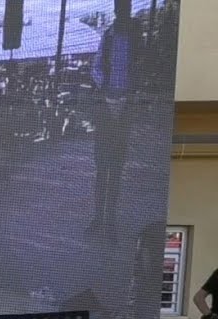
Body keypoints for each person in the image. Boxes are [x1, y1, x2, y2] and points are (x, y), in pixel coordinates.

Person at [90, 0, 143, 233]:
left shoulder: (136, 36)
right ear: (115, 10)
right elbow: (96, 67)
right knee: (102, 167)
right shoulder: (108, 36)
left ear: (129, 9)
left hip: (125, 107)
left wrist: (131, 93)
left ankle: (109, 222)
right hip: (106, 106)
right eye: (119, 8)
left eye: (126, 8)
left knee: (116, 169)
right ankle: (97, 219)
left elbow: (143, 67)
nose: (122, 12)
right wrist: (104, 87)